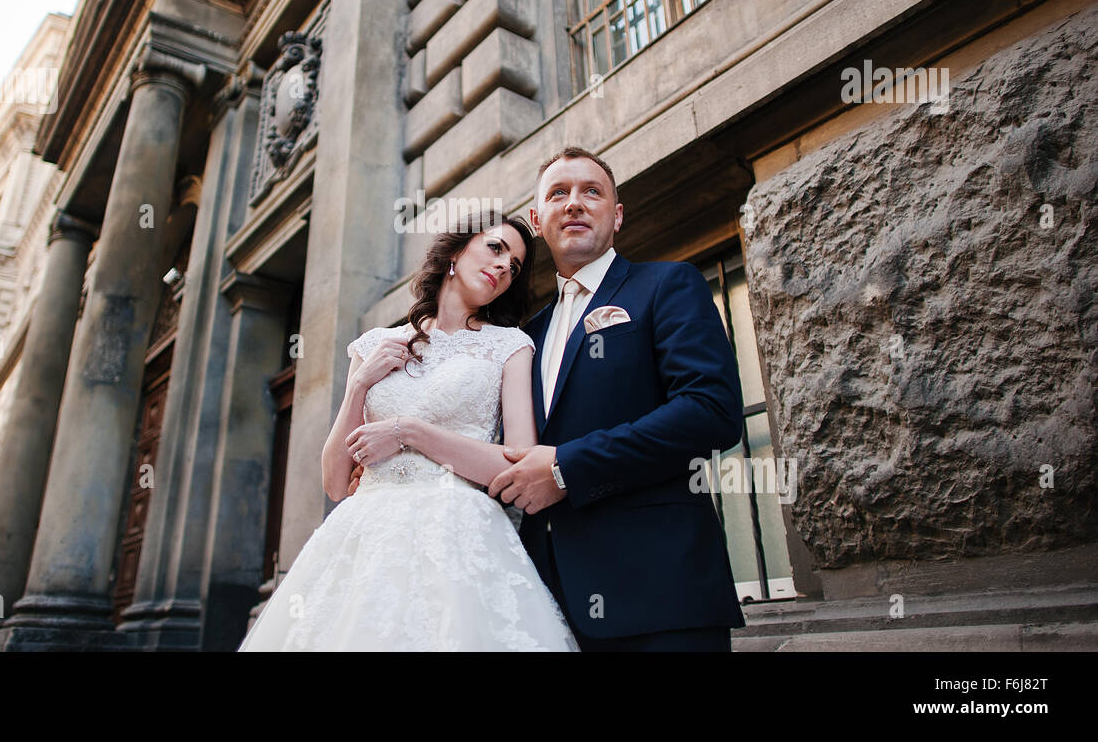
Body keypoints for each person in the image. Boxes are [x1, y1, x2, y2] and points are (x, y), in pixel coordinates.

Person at [238, 210, 578, 651]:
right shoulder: (375, 345)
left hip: (457, 533)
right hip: (364, 536)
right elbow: (336, 482)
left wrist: (409, 432)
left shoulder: (509, 346)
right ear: (455, 252)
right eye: (495, 248)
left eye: (513, 266)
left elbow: (517, 464)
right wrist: (359, 384)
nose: (502, 267)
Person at [487, 146, 748, 651]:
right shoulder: (525, 336)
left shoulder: (667, 285)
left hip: (661, 596)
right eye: (559, 193)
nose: (575, 203)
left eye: (592, 191)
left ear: (617, 214)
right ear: (538, 221)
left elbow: (710, 412)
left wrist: (567, 466)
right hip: (548, 605)